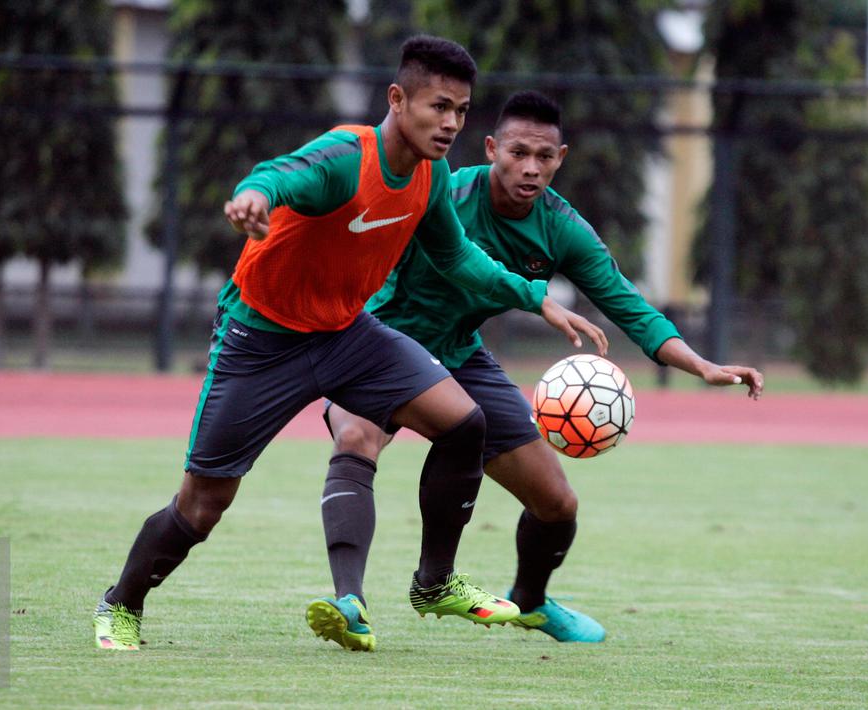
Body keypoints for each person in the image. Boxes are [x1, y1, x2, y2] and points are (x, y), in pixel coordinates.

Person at [92, 39, 607, 651]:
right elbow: (283, 174)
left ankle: (435, 583)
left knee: (464, 422)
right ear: (397, 99)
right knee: (202, 505)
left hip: (345, 333)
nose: (449, 124)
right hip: (261, 341)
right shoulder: (346, 157)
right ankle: (121, 604)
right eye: (438, 106)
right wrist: (255, 195)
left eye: (461, 111)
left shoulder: (429, 174)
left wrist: (533, 294)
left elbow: (455, 255)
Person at [311, 91, 763, 650]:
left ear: (561, 157)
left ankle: (530, 603)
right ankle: (349, 602)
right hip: (377, 341)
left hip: (459, 353)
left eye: (544, 156)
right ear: (492, 148)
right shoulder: (444, 191)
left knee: (557, 503)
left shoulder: (560, 227)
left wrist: (702, 365)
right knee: (356, 436)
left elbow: (627, 304)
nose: (530, 168)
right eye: (518, 152)